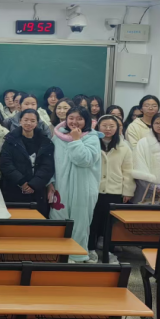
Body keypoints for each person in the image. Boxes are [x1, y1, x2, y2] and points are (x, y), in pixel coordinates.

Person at [50, 106, 101, 263]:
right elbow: (50, 162)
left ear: (86, 120)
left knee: (80, 223)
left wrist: (76, 140)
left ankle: (76, 255)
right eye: (71, 118)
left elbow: (84, 160)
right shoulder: (57, 137)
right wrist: (50, 183)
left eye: (80, 118)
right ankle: (58, 254)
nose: (75, 122)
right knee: (58, 219)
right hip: (61, 186)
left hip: (83, 188)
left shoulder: (92, 137)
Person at [90, 115, 134, 263]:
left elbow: (128, 171)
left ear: (118, 128)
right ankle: (90, 249)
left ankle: (109, 252)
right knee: (92, 222)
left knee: (111, 225)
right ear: (98, 127)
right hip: (94, 189)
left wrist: (128, 191)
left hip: (115, 191)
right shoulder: (91, 143)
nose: (108, 129)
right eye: (104, 126)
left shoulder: (124, 147)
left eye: (112, 126)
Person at [0, 108, 55, 217]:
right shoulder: (10, 140)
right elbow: (6, 164)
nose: (28, 123)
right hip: (14, 188)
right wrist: (22, 182)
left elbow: (47, 167)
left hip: (37, 190)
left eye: (32, 121)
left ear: (37, 123)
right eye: (26, 120)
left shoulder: (45, 142)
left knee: (36, 219)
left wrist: (33, 184)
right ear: (20, 121)